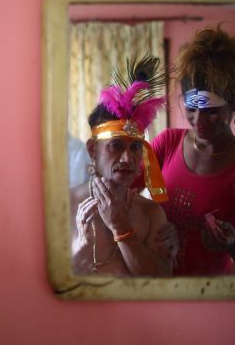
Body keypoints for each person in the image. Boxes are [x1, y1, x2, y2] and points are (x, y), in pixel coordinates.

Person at [150, 25, 235, 275]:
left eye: (212, 111)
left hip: (209, 297)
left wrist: (233, 244)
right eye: (191, 109)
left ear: (233, 103)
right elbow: (124, 188)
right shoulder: (166, 144)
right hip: (156, 284)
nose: (199, 121)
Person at [70, 55, 173, 276]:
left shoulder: (151, 213)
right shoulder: (65, 205)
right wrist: (83, 249)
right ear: (92, 150)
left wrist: (121, 228)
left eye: (136, 147)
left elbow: (162, 283)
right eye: (116, 146)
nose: (128, 159)